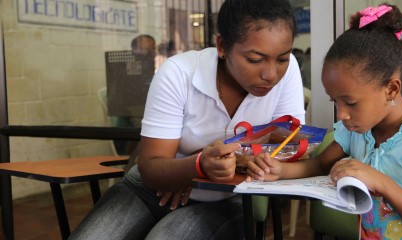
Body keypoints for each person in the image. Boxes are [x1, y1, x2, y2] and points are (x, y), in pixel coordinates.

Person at [69, 0, 304, 239]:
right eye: (254, 59)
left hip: (225, 198)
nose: (271, 74)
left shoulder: (289, 73)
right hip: (148, 190)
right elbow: (151, 167)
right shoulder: (178, 73)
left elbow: (289, 149)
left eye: (282, 59)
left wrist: (189, 168)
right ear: (222, 46)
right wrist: (197, 166)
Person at [247, 3, 402, 239]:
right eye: (335, 102)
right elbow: (319, 165)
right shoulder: (356, 130)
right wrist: (280, 170)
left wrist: (382, 183)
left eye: (351, 103)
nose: (341, 115)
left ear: (391, 89)